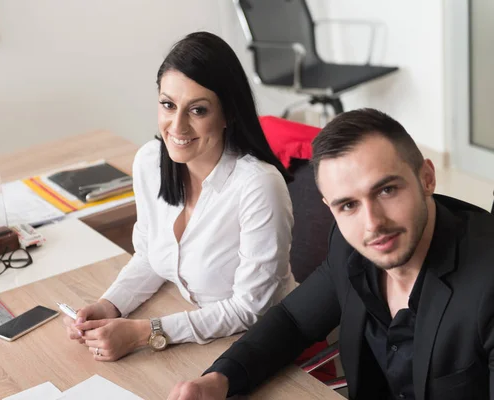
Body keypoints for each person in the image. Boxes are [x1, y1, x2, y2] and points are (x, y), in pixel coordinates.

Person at [168, 108, 494, 400]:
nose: (372, 224)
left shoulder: (487, 289)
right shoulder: (348, 244)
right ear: (332, 209)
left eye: (387, 190)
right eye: (348, 205)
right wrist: (220, 379)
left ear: (427, 178)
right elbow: (293, 321)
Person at [62, 31, 296, 361]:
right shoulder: (149, 162)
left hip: (261, 346)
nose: (178, 126)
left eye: (198, 110)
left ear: (228, 113)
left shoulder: (258, 186)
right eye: (168, 105)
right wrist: (107, 306)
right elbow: (150, 258)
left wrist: (145, 332)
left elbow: (250, 309)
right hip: (201, 339)